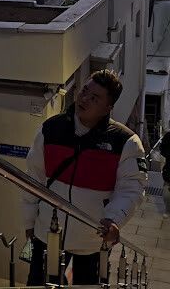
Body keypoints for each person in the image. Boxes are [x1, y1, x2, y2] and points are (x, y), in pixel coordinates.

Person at [21, 70, 148, 285]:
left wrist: (114, 219)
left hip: (92, 241)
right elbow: (33, 178)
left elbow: (131, 188)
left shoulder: (125, 142)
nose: (84, 99)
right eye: (84, 91)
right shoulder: (50, 129)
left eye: (94, 98)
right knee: (39, 284)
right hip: (47, 233)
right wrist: (28, 221)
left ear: (108, 108)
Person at [160, 130, 170, 218]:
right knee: (166, 194)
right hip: (169, 170)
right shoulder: (168, 136)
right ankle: (168, 209)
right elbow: (162, 148)